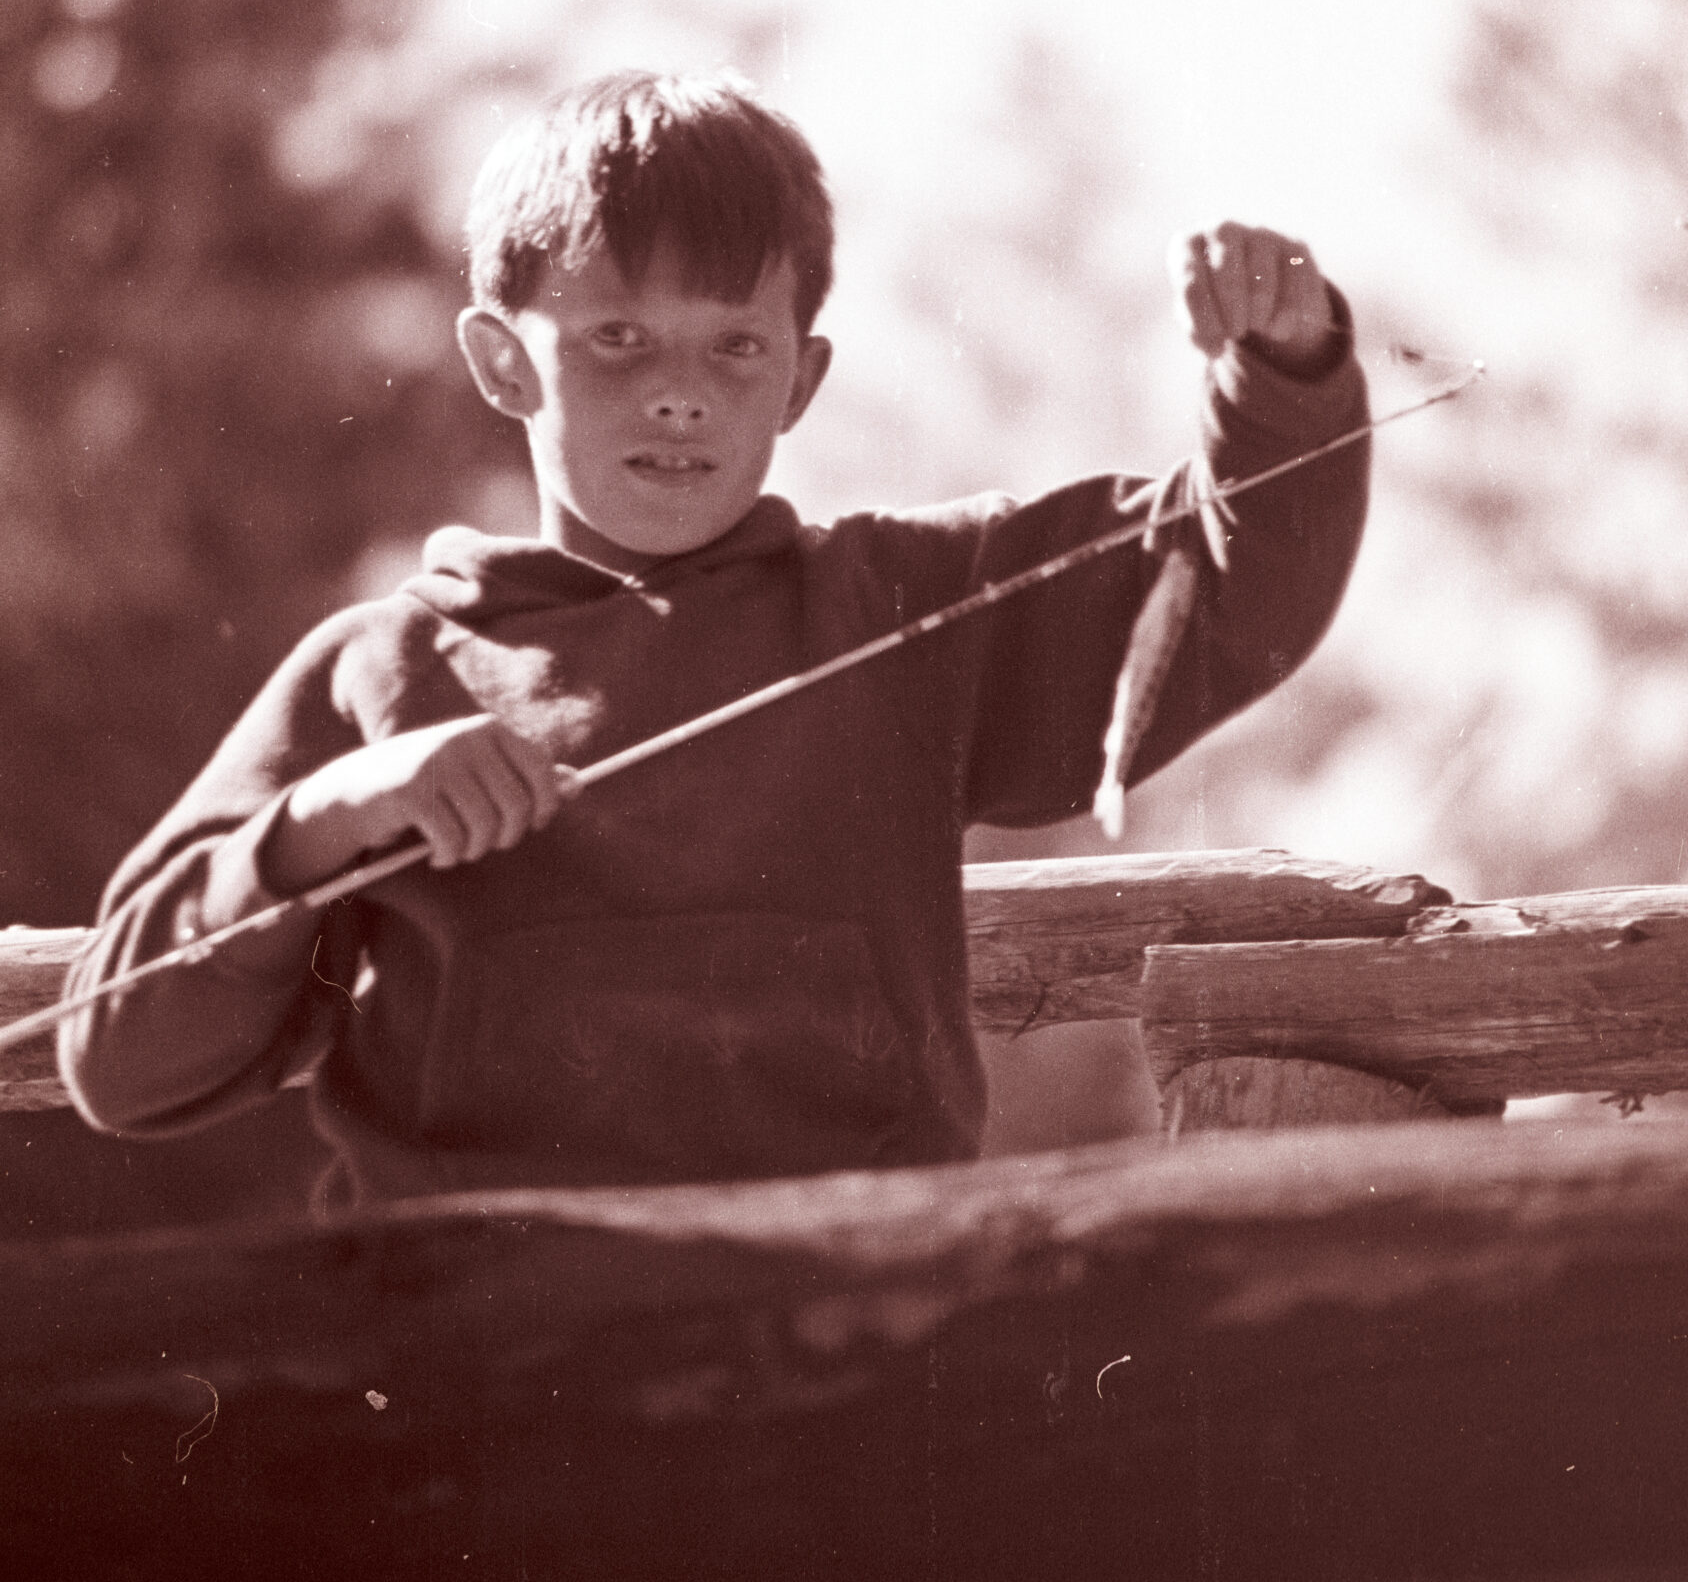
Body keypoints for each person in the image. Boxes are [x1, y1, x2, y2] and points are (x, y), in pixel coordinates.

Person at [58, 70, 1369, 1205]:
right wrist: (321, 822)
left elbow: (1225, 593)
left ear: (802, 380)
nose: (679, 392)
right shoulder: (384, 669)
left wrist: (1286, 371)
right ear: (504, 362)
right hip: (474, 1368)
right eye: (618, 335)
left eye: (736, 345)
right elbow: (118, 1059)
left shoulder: (901, 609)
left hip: (851, 1347)